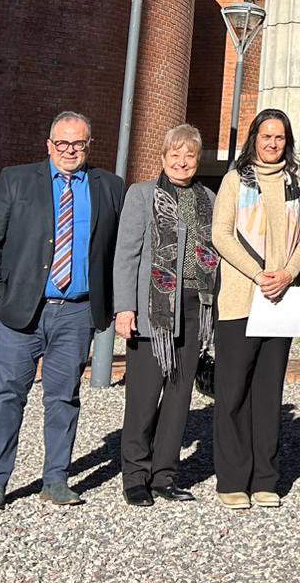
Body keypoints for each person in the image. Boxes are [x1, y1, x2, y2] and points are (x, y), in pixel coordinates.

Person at [0, 111, 127, 511]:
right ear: (49, 145)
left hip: (76, 313)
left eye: (78, 143)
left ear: (89, 145)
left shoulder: (110, 187)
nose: (70, 150)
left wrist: (112, 304)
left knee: (64, 398)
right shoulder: (17, 180)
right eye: (62, 143)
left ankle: (56, 480)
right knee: (7, 396)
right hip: (20, 311)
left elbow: (117, 251)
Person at [210, 107, 300, 510]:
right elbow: (221, 234)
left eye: (280, 137)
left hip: (280, 300)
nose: (273, 143)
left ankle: (265, 479)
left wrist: (287, 273)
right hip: (241, 301)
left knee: (269, 394)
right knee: (234, 393)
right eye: (266, 136)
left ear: (288, 143)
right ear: (254, 138)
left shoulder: (294, 183)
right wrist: (258, 274)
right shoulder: (235, 180)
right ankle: (233, 480)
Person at [112, 123, 218, 506]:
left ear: (198, 159)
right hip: (153, 309)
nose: (182, 161)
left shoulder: (209, 198)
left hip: (194, 305)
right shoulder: (141, 195)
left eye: (189, 155)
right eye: (175, 154)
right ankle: (135, 476)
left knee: (178, 395)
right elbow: (126, 254)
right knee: (143, 397)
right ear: (163, 157)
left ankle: (164, 475)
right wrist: (124, 308)